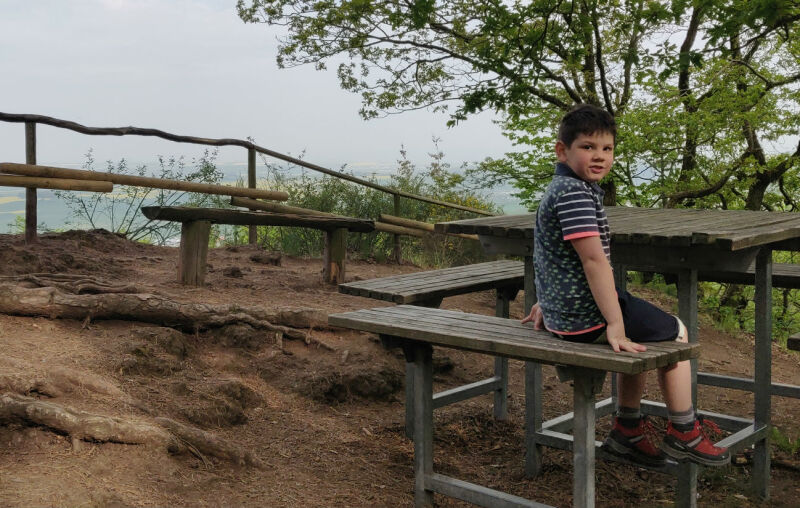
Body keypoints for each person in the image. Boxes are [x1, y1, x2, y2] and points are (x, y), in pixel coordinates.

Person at [521, 104, 729, 467]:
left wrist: (546, 302)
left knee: (642, 331)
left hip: (565, 314)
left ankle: (628, 431)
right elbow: (593, 261)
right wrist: (615, 323)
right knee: (677, 331)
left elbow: (548, 253)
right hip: (585, 318)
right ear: (562, 151)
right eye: (588, 147)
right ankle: (684, 431)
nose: (599, 156)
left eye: (607, 148)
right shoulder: (575, 193)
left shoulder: (563, 187)